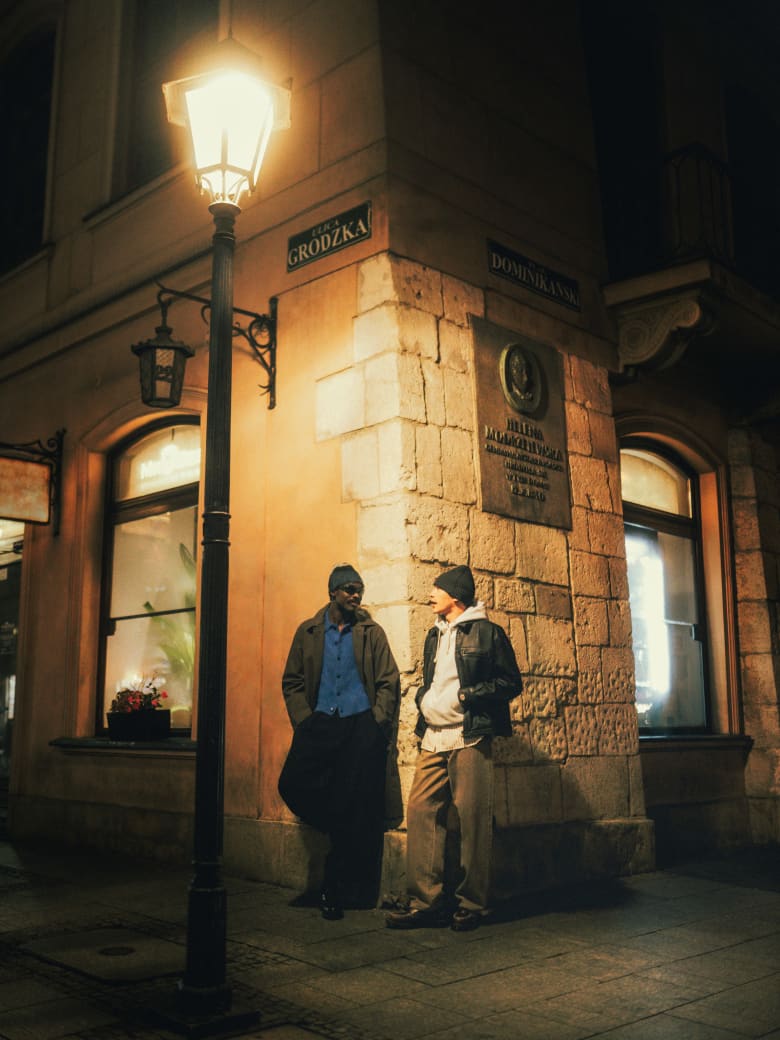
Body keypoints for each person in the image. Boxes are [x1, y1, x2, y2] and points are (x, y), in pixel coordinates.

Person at [386, 564, 521, 932]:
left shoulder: (487, 633)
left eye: (437, 589)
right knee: (419, 810)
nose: (430, 593)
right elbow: (436, 678)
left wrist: (468, 696)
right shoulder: (435, 633)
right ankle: (425, 901)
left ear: (456, 596)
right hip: (433, 735)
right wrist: (425, 698)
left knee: (473, 818)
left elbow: (511, 682)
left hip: (469, 734)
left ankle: (472, 903)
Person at [278, 564, 401, 920]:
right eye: (348, 589)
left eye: (359, 589)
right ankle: (336, 832)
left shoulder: (371, 632)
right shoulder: (309, 631)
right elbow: (292, 681)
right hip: (320, 725)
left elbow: (388, 681)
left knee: (354, 804)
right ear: (332, 592)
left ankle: (335, 888)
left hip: (359, 726)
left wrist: (377, 723)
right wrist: (304, 720)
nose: (355, 595)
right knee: (292, 783)